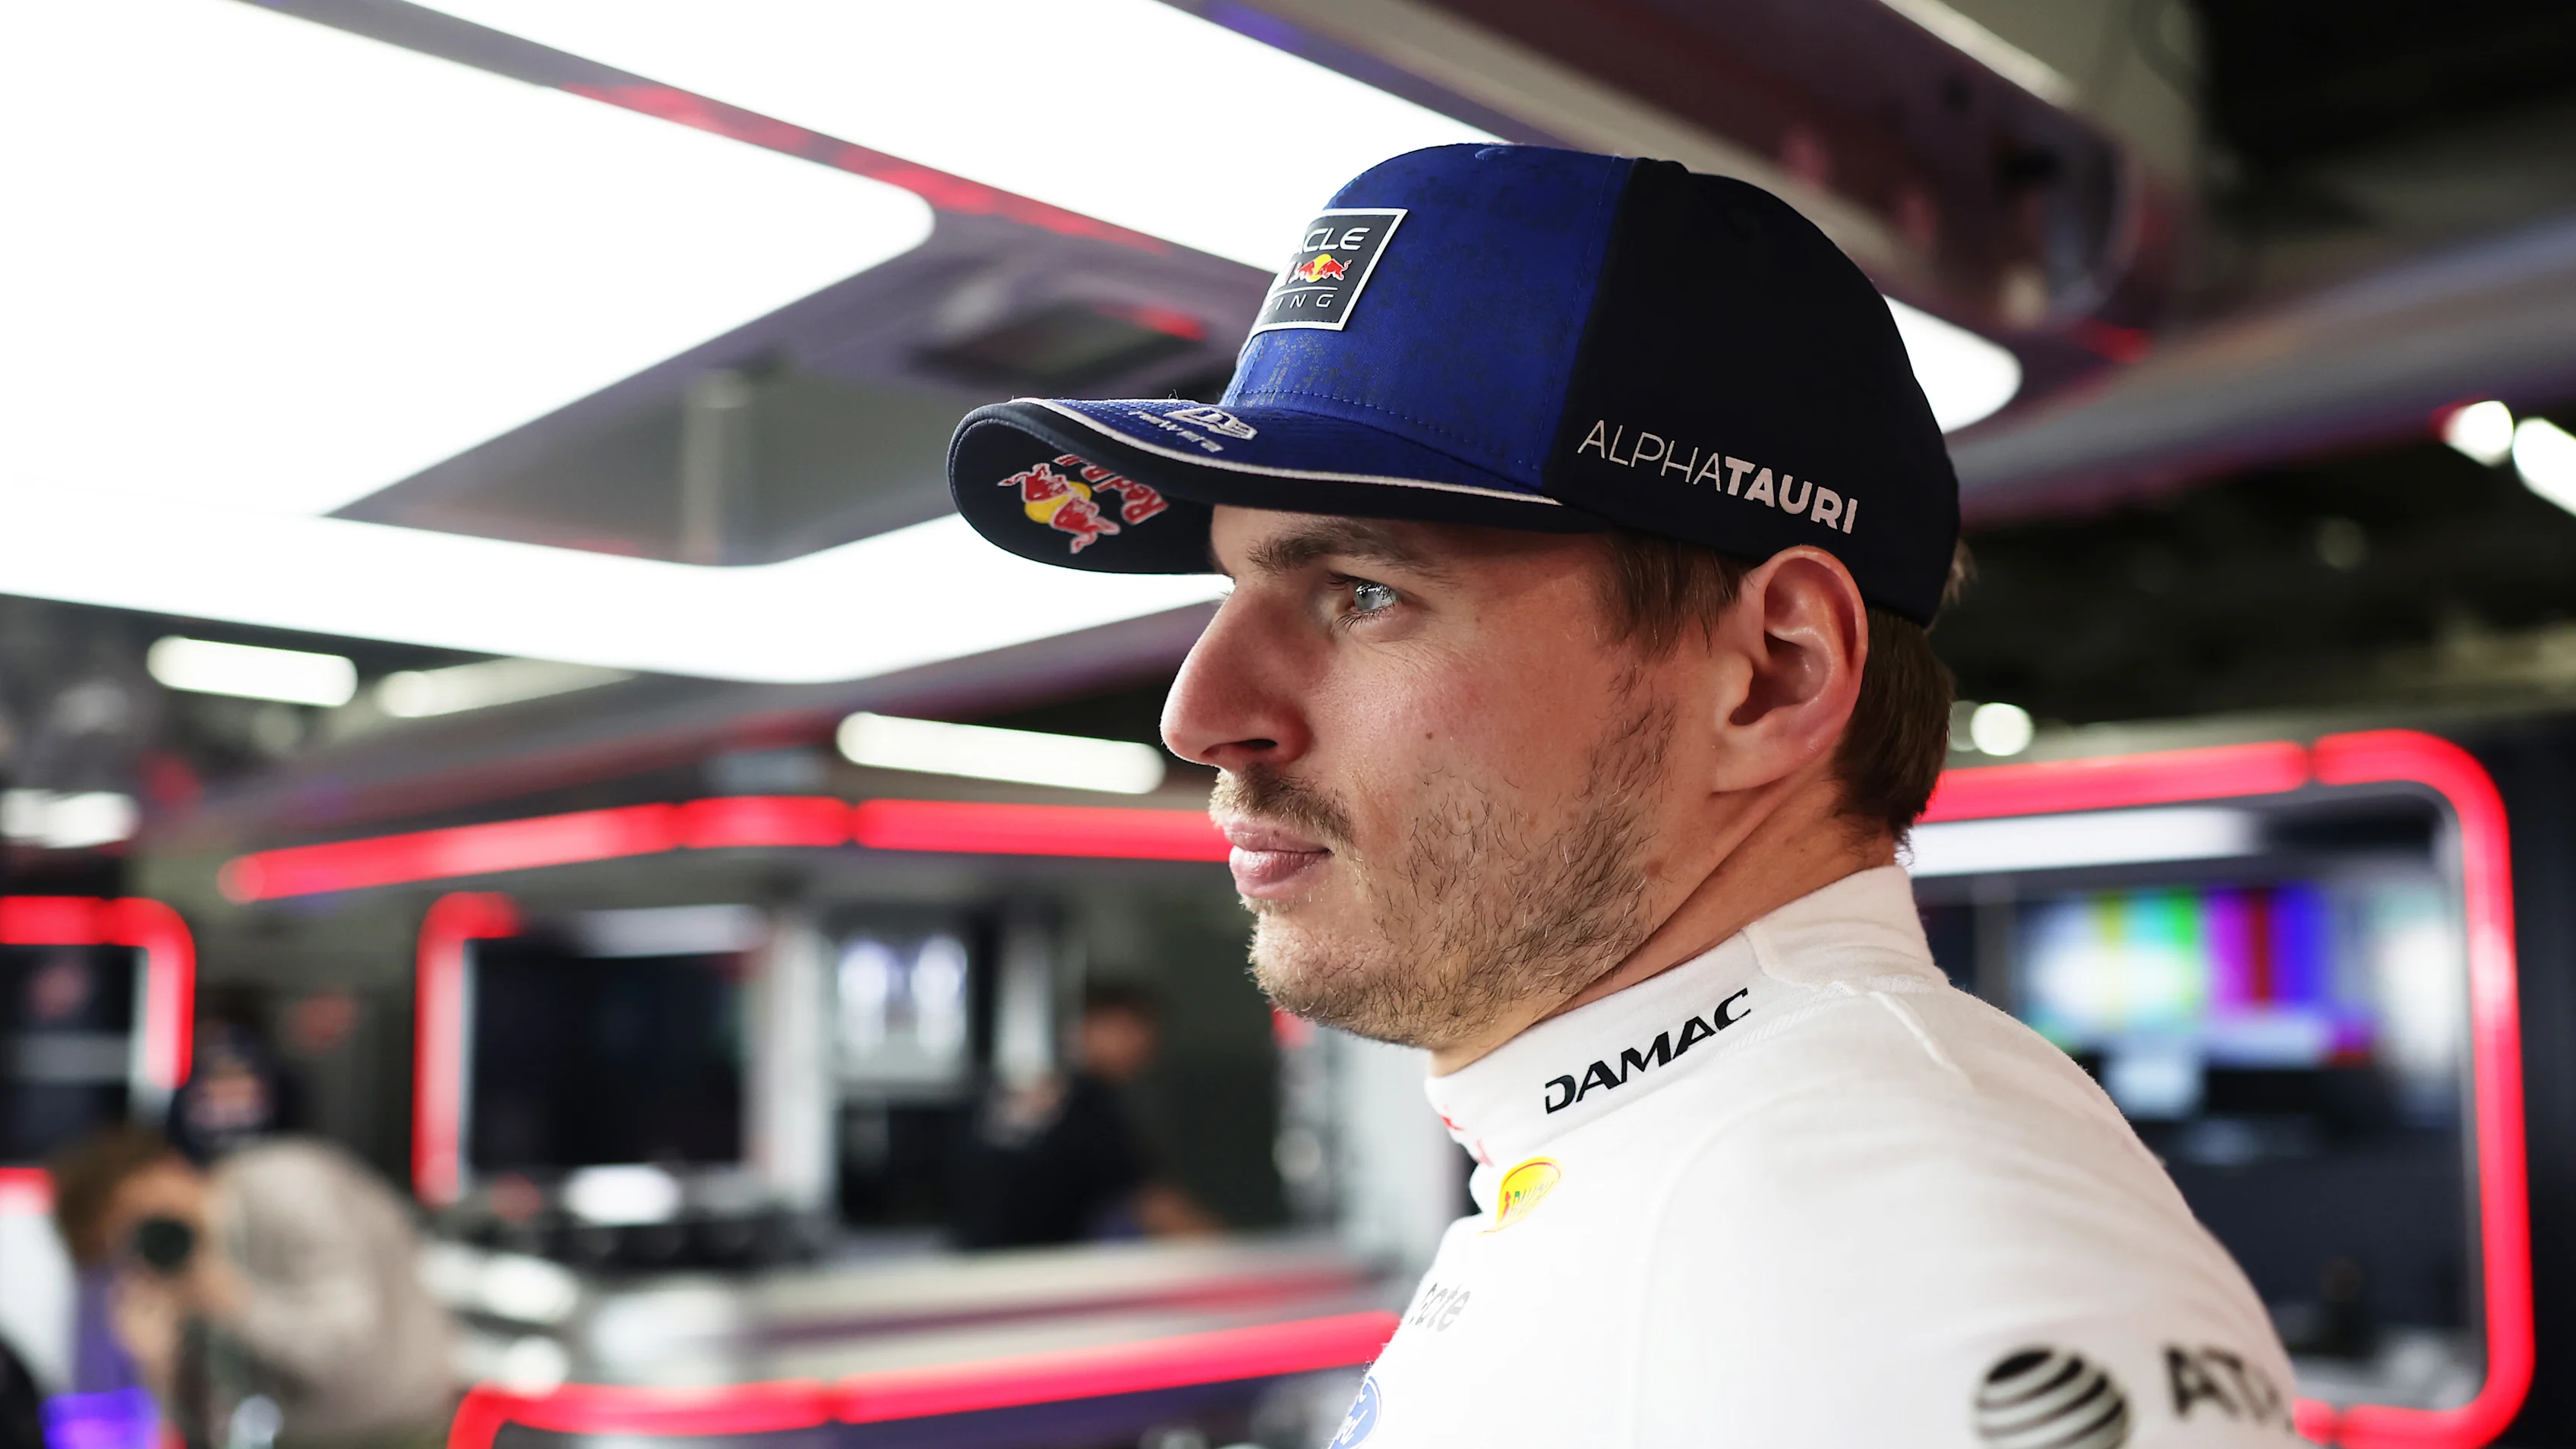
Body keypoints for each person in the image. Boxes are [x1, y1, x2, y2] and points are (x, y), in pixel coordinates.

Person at [945, 145, 2297, 1444]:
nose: (1199, 714)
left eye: (1364, 591)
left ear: (1770, 673)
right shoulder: (1671, 1146)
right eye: (1232, 590)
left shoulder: (1896, 1221)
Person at [47, 1125, 454, 1447]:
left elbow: (344, 1352)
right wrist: (159, 1365)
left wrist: (228, 1299)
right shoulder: (186, 1268)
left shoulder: (286, 1187)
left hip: (401, 1430)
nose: (138, 1253)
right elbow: (213, 1433)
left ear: (164, 1171)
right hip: (306, 1438)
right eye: (118, 1252)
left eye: (132, 1224)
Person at [949, 984, 1219, 1248]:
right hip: (1022, 1272)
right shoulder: (1088, 1104)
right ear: (1084, 1028)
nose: (1144, 1043)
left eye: (1148, 1030)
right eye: (1126, 1028)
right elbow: (1156, 1205)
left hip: (980, 1265)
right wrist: (1231, 1255)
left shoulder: (1045, 1091)